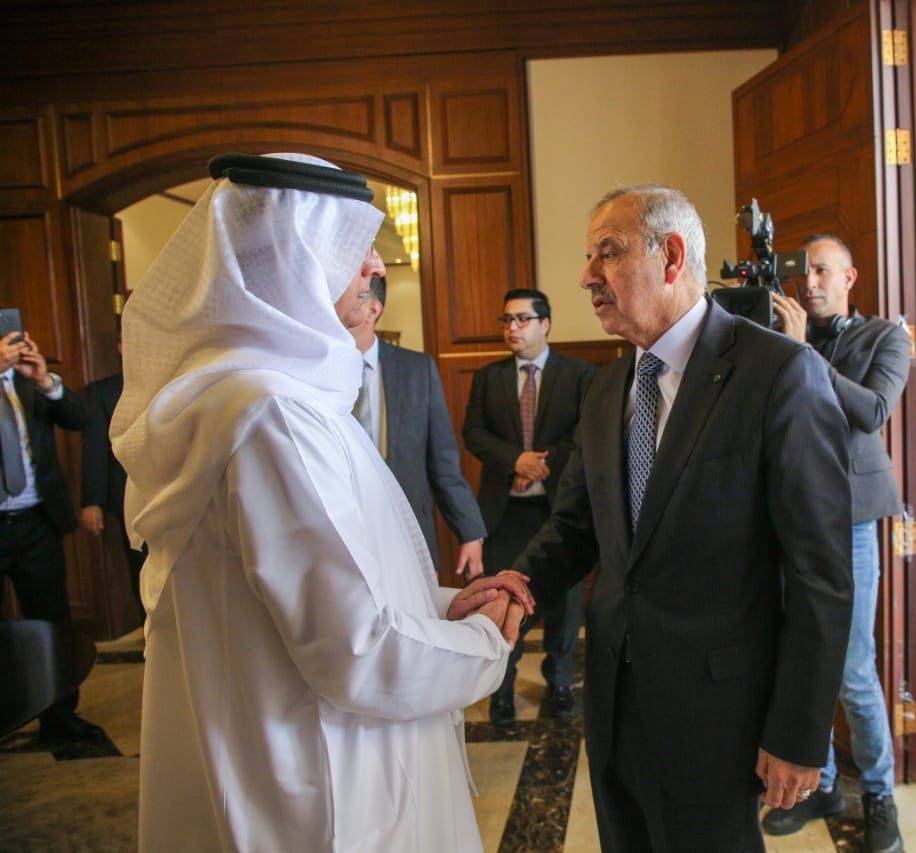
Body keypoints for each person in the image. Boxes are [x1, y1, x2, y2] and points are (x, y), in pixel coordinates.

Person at [113, 152, 535, 852]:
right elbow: (356, 649)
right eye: (351, 242)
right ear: (293, 258)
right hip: (318, 781)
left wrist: (440, 605)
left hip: (299, 750)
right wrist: (486, 642)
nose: (373, 263)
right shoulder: (271, 413)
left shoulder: (270, 393)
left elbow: (321, 585)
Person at [508, 184, 853, 851]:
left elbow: (822, 576)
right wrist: (515, 587)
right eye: (588, 258)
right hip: (614, 701)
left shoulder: (779, 373)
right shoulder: (607, 387)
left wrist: (798, 732)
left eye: (607, 253)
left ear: (670, 256)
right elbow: (576, 527)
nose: (587, 277)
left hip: (718, 715)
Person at [766, 234, 909, 851]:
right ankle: (820, 783)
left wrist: (801, 353)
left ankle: (879, 796)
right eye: (804, 272)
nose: (810, 282)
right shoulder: (779, 335)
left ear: (850, 277)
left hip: (850, 520)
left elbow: (871, 411)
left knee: (851, 668)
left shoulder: (885, 338)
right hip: (787, 516)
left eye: (823, 271)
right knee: (797, 657)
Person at [463, 288, 595, 726]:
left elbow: (586, 432)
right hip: (505, 513)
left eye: (522, 319)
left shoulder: (579, 375)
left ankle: (560, 684)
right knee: (503, 599)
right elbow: (474, 433)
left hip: (560, 511)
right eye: (506, 320)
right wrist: (514, 460)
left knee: (564, 607)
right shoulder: (489, 377)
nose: (512, 328)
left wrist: (541, 464)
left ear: (546, 324)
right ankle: (501, 689)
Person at [343, 254, 487, 581]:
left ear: (373, 310)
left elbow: (443, 461)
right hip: (344, 535)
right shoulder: (317, 370)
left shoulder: (416, 369)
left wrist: (470, 531)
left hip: (408, 530)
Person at [0, 330, 96, 742]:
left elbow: (81, 418)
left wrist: (44, 380)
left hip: (37, 523)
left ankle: (60, 718)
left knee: (51, 621)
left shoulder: (27, 381)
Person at [80, 341, 147, 623]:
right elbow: (95, 448)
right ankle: (150, 633)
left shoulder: (174, 381)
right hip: (128, 498)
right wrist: (91, 501)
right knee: (141, 569)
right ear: (120, 346)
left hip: (177, 493)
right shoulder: (102, 392)